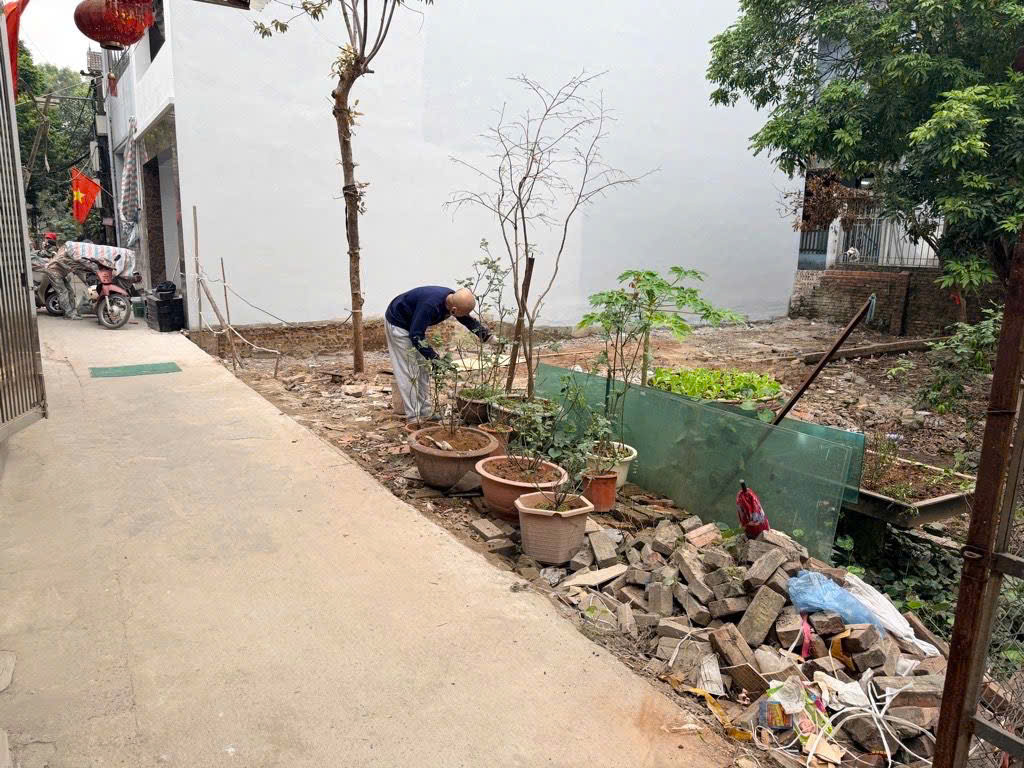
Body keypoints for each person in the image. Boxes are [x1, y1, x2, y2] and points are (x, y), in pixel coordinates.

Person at [384, 286, 492, 421]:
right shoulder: (430, 306)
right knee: (409, 371)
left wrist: (488, 337)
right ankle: (414, 416)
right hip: (399, 323)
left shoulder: (453, 299)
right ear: (453, 310)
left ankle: (425, 412)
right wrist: (434, 358)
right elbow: (416, 335)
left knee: (423, 369)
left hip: (413, 325)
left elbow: (466, 319)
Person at [43, 246, 90, 320]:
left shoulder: (75, 255)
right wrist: (69, 268)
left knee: (70, 291)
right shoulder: (69, 253)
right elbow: (59, 261)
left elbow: (78, 271)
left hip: (61, 273)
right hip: (54, 272)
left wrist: (85, 282)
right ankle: (68, 314)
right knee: (63, 292)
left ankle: (73, 312)